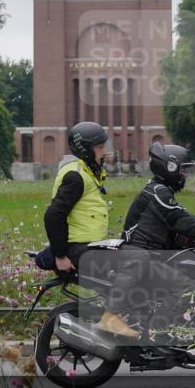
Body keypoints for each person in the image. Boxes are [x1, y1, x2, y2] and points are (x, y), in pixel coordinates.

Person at [98, 142, 195, 348]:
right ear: (170, 168)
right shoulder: (158, 192)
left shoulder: (160, 190)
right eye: (183, 170)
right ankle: (160, 334)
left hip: (148, 254)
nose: (185, 175)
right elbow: (183, 221)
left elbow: (181, 225)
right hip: (139, 255)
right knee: (184, 285)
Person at [42, 122, 137, 337]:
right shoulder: (76, 176)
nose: (104, 152)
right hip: (78, 251)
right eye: (100, 147)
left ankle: (125, 315)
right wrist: (60, 255)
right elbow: (53, 215)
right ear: (86, 149)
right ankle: (111, 316)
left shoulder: (85, 172)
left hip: (89, 247)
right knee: (137, 258)